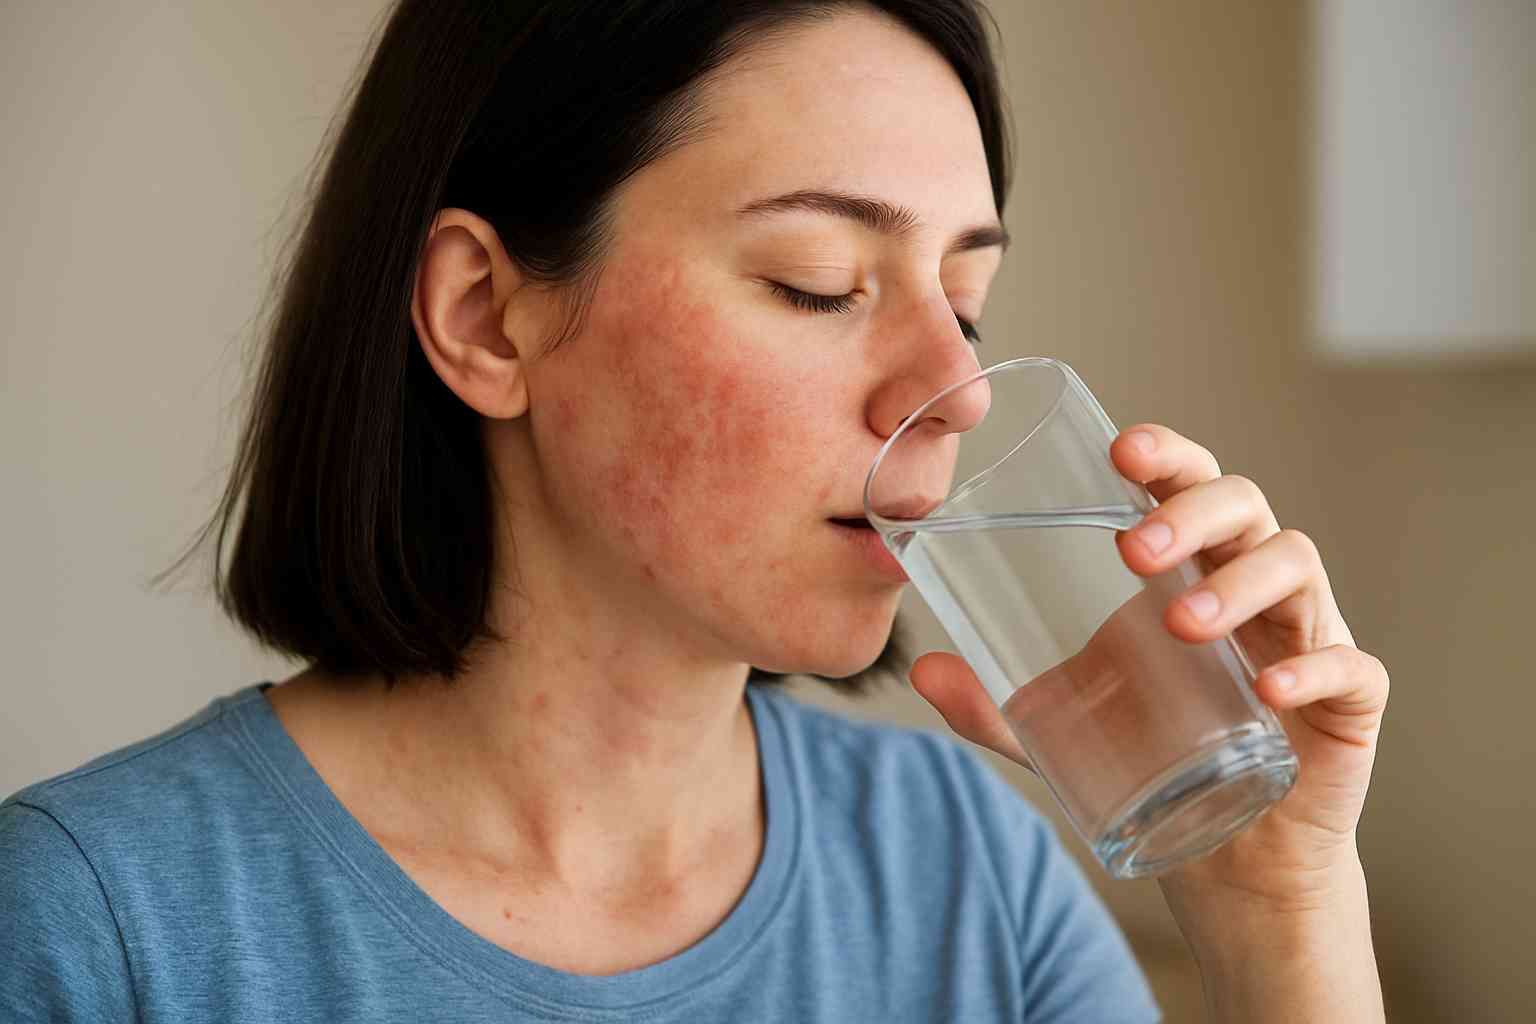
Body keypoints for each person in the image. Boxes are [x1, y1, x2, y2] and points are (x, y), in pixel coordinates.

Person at [0, 1, 1389, 1020]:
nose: (956, 388)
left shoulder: (971, 879)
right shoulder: (90, 927)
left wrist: (1278, 911)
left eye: (964, 300)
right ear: (487, 316)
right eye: (819, 280)